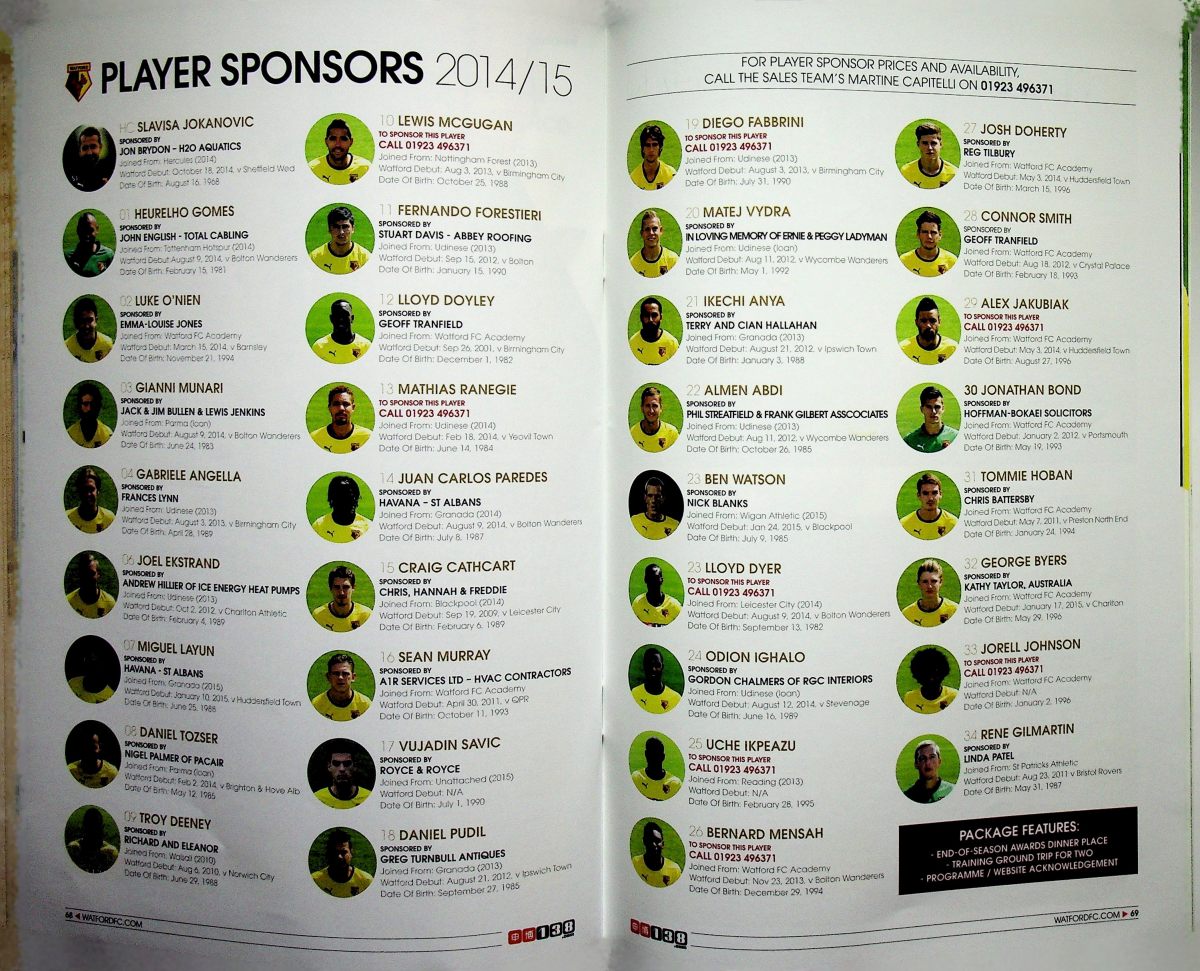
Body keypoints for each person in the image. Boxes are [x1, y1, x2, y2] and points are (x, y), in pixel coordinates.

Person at [311, 829, 373, 897]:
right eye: (335, 852)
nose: (339, 857)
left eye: (343, 852)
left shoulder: (366, 881)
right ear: (329, 854)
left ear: (351, 852)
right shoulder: (315, 880)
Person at [311, 654, 372, 721]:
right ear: (328, 677)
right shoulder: (316, 705)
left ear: (353, 677)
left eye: (345, 673)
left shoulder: (365, 705)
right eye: (336, 673)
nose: (340, 677)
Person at [311, 385, 371, 453]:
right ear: (329, 408)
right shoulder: (315, 438)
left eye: (346, 404)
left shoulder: (367, 437)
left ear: (353, 407)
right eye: (336, 404)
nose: (341, 408)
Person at [310, 206, 370, 274]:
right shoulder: (315, 258)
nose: (341, 232)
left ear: (353, 229)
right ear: (329, 229)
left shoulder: (365, 257)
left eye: (345, 227)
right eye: (336, 227)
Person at [312, 564, 372, 632]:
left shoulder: (365, 615)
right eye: (337, 587)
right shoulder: (319, 616)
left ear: (353, 588)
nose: (341, 592)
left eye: (346, 587)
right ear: (330, 588)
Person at [310, 118, 371, 185]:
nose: (338, 144)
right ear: (326, 142)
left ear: (351, 142)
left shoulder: (365, 168)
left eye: (343, 139)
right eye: (333, 139)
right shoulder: (313, 168)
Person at [899, 472, 957, 540]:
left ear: (940, 494)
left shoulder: (953, 523)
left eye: (934, 493)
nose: (930, 498)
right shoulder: (904, 524)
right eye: (925, 493)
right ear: (919, 495)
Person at [312, 475, 370, 542]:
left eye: (352, 498)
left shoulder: (367, 526)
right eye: (343, 498)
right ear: (332, 499)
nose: (349, 502)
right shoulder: (319, 526)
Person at [899, 296, 956, 365]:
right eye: (923, 321)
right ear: (916, 322)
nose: (928, 325)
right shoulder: (904, 349)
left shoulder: (952, 348)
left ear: (939, 321)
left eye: (932, 320)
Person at [899, 210, 957, 277]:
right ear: (918, 234)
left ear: (940, 235)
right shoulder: (904, 261)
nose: (929, 236)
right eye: (925, 232)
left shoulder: (951, 261)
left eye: (933, 232)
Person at [900, 122, 957, 189]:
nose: (929, 148)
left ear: (940, 144)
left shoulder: (953, 174)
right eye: (925, 143)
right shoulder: (906, 172)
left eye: (933, 143)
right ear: (918, 144)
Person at [312, 298, 371, 364]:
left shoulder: (366, 346)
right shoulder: (319, 347)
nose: (341, 319)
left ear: (352, 318)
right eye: (337, 315)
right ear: (331, 319)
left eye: (345, 315)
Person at [902, 559, 958, 627]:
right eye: (925, 582)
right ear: (919, 584)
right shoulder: (907, 614)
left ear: (940, 582)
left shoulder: (954, 610)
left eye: (933, 581)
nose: (929, 586)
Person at [314, 742, 371, 809]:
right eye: (336, 763)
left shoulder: (368, 798)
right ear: (329, 766)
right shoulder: (318, 799)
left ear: (355, 766)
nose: (342, 769)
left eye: (347, 764)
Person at [903, 386, 958, 453]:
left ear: (943, 409)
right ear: (921, 409)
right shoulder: (910, 441)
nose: (933, 411)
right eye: (929, 407)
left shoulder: (955, 437)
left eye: (937, 407)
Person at [903, 648, 958, 714]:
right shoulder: (910, 698)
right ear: (918, 675)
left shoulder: (953, 696)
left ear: (943, 672)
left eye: (935, 672)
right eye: (926, 673)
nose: (931, 679)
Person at [67, 636, 118, 703]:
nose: (92, 663)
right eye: (90, 658)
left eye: (97, 659)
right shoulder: (72, 684)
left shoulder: (110, 696)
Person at [67, 807, 119, 873]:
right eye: (91, 828)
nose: (93, 832)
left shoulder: (110, 852)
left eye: (95, 828)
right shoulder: (74, 848)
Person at [628, 297, 678, 365]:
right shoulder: (633, 343)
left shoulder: (672, 344)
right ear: (641, 318)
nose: (650, 320)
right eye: (646, 315)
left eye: (654, 315)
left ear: (661, 317)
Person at [631, 647, 681, 714]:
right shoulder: (634, 693)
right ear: (644, 667)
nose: (653, 669)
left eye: (657, 665)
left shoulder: (675, 698)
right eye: (649, 665)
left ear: (662, 667)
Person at [632, 821, 682, 887]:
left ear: (663, 844)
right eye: (650, 840)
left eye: (657, 841)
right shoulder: (635, 863)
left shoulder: (674, 870)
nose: (653, 844)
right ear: (644, 841)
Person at [66, 467, 115, 534]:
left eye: (91, 489)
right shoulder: (68, 517)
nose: (88, 494)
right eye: (84, 489)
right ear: (79, 491)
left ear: (98, 491)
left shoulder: (109, 519)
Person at [67, 553, 116, 619]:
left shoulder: (109, 603)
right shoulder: (69, 602)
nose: (87, 577)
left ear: (98, 574)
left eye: (91, 573)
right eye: (84, 573)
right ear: (79, 575)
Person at [65, 211, 115, 277]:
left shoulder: (108, 255)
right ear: (78, 231)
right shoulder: (68, 258)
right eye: (83, 230)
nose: (87, 235)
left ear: (97, 230)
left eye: (90, 230)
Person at [630, 210, 678, 277]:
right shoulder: (633, 263)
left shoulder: (673, 260)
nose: (651, 233)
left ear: (661, 230)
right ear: (642, 233)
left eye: (654, 228)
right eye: (647, 229)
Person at [65, 296, 113, 362]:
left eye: (90, 320)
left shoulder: (107, 345)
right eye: (82, 321)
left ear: (96, 321)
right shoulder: (68, 347)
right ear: (76, 323)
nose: (86, 326)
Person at [630, 386, 679, 451]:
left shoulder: (672, 433)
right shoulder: (633, 433)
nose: (651, 411)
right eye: (647, 406)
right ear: (642, 408)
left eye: (655, 406)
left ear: (661, 408)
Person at [66, 126, 114, 192]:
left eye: (93, 146)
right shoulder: (72, 173)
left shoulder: (109, 172)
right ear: (80, 151)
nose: (89, 152)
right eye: (85, 148)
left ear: (100, 148)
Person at [67, 382, 113, 448]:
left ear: (98, 406)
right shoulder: (71, 434)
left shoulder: (107, 435)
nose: (89, 408)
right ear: (79, 406)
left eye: (93, 404)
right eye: (85, 404)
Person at [630, 123, 675, 190]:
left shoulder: (670, 175)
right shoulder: (634, 178)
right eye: (647, 145)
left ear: (660, 147)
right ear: (643, 148)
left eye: (654, 145)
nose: (651, 150)